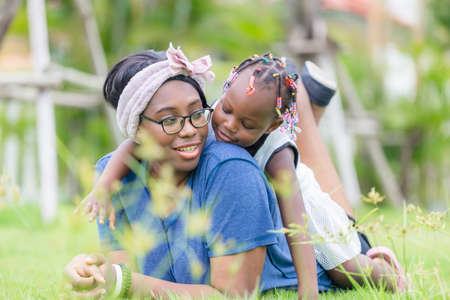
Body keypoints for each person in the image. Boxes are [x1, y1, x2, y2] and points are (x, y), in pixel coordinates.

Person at [76, 49, 409, 294]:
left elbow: (298, 227)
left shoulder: (266, 157)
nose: (227, 125)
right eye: (225, 110)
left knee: (344, 267)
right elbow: (129, 147)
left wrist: (308, 292)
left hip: (304, 207)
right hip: (268, 190)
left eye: (195, 114)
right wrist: (104, 186)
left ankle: (387, 272)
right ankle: (309, 100)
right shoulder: (208, 130)